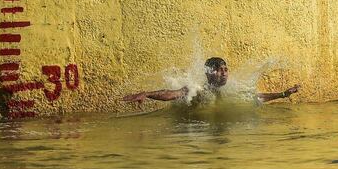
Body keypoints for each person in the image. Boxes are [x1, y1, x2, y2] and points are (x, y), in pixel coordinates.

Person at [122, 57, 301, 105]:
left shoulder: (232, 89)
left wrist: (283, 94)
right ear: (209, 73)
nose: (224, 74)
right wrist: (146, 94)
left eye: (225, 70)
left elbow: (256, 98)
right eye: (219, 70)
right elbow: (172, 94)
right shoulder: (198, 88)